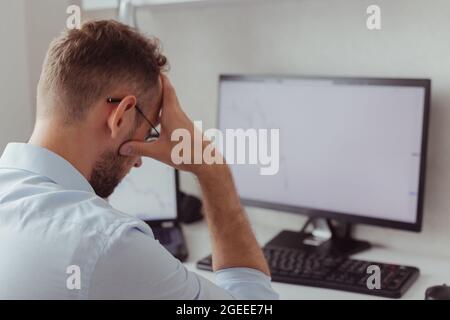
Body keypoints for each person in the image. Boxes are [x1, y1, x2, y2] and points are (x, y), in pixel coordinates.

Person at [0, 20, 278, 300]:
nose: (139, 161)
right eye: (148, 134)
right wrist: (212, 169)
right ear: (120, 116)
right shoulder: (107, 244)